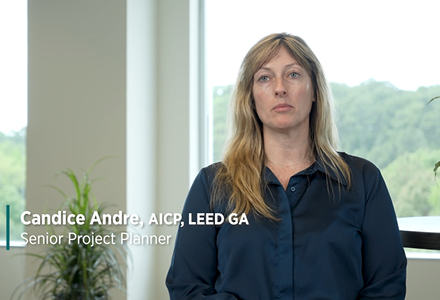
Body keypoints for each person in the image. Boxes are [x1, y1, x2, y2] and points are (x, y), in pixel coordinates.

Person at [166, 33, 407, 300]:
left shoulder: (363, 180)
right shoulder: (212, 185)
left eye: (293, 75)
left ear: (314, 90)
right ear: (250, 98)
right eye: (265, 78)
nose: (280, 88)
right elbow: (187, 289)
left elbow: (386, 287)